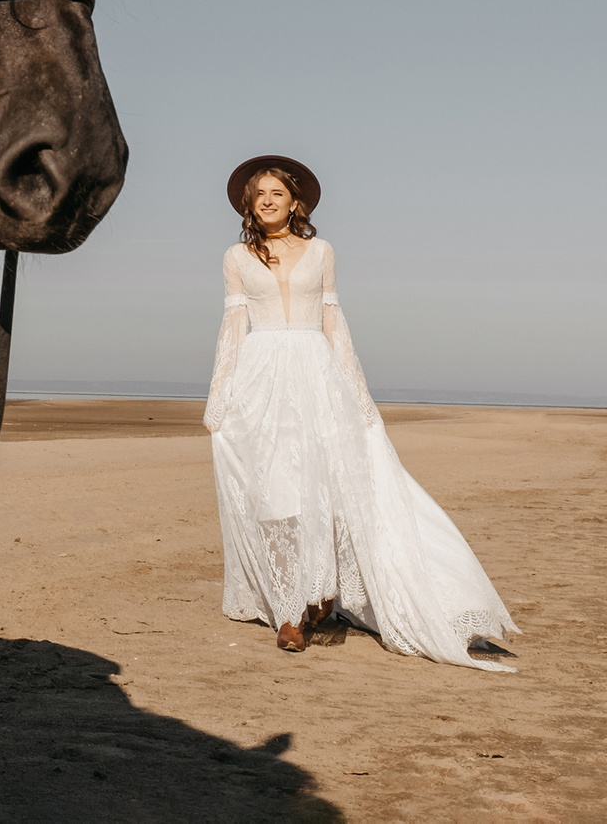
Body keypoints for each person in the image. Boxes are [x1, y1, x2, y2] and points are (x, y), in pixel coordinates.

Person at [204, 155, 519, 668]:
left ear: (295, 202)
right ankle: (288, 613)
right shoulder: (236, 257)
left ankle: (320, 596)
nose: (267, 201)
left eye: (277, 193)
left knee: (330, 487)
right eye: (259, 194)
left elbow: (334, 322)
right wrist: (219, 396)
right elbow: (233, 328)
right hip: (260, 381)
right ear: (249, 204)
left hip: (317, 375)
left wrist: (358, 393)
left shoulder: (322, 251)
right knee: (275, 494)